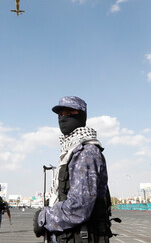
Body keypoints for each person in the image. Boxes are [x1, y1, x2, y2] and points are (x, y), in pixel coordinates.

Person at [34, 96, 112, 243]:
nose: (63, 118)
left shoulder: (86, 152)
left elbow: (79, 207)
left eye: (69, 112)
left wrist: (44, 217)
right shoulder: (71, 150)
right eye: (60, 114)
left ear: (81, 115)